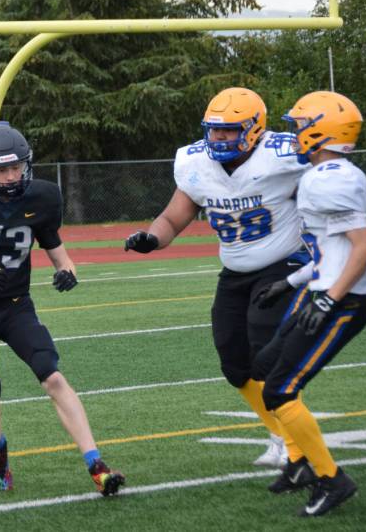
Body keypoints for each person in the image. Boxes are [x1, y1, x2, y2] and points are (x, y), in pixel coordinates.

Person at [0, 124, 125, 496]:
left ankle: (95, 462)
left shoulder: (41, 199)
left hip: (17, 307)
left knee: (53, 376)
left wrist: (67, 274)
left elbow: (62, 258)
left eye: (17, 167)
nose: (12, 175)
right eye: (3, 170)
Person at [123, 87, 308, 468]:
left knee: (265, 352)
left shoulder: (285, 153)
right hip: (236, 270)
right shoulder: (196, 162)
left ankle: (297, 448)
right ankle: (279, 434)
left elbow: (329, 163)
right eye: (214, 130)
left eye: (230, 130)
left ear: (255, 128)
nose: (219, 138)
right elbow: (174, 217)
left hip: (283, 262)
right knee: (234, 363)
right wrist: (151, 238)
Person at [249, 91, 366, 517]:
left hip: (341, 300)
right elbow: (331, 250)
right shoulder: (326, 175)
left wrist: (328, 299)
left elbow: (363, 249)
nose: (296, 133)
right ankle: (300, 464)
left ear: (321, 131)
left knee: (282, 389)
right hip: (320, 289)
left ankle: (331, 479)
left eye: (302, 126)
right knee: (266, 370)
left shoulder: (332, 179)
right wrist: (290, 282)